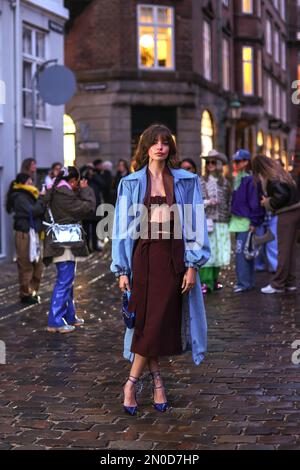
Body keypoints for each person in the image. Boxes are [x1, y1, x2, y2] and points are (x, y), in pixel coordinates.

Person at [111, 123, 210, 416]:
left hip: (173, 257)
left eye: (165, 142)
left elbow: (196, 226)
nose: (160, 147)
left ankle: (132, 383)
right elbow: (119, 229)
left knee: (159, 320)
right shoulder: (129, 183)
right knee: (145, 321)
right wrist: (122, 270)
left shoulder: (187, 181)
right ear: (146, 147)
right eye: (154, 142)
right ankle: (155, 383)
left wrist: (192, 266)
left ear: (171, 148)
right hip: (142, 257)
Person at [43, 166, 96, 333]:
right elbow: (86, 207)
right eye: (76, 182)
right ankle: (55, 321)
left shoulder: (57, 190)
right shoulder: (63, 194)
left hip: (64, 242)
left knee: (68, 281)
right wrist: (86, 190)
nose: (76, 185)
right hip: (63, 243)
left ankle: (69, 315)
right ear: (72, 181)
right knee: (64, 281)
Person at [252, 155, 300, 294]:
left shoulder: (272, 178)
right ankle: (289, 282)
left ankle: (278, 284)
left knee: (284, 250)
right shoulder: (281, 174)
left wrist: (267, 202)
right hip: (295, 211)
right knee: (290, 251)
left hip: (286, 213)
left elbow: (281, 196)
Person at [229, 149, 265, 293]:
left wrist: (254, 222)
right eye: (234, 161)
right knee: (245, 253)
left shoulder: (249, 179)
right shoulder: (241, 178)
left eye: (238, 161)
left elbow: (255, 202)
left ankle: (244, 283)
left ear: (246, 162)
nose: (235, 164)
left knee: (242, 254)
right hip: (239, 222)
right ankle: (247, 282)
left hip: (245, 223)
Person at [6, 173, 45, 305]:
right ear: (23, 183)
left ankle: (32, 291)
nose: (32, 184)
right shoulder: (19, 196)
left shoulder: (30, 194)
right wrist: (41, 199)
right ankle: (25, 293)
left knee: (38, 264)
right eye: (29, 182)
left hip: (34, 232)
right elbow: (33, 211)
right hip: (24, 233)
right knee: (26, 264)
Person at [200, 150, 232, 294]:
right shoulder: (201, 181)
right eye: (208, 162)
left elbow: (229, 201)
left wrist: (229, 217)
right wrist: (208, 202)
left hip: (222, 222)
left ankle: (214, 279)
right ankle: (205, 281)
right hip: (207, 221)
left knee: (219, 253)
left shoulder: (225, 182)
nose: (210, 165)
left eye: (213, 162)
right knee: (208, 252)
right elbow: (196, 202)